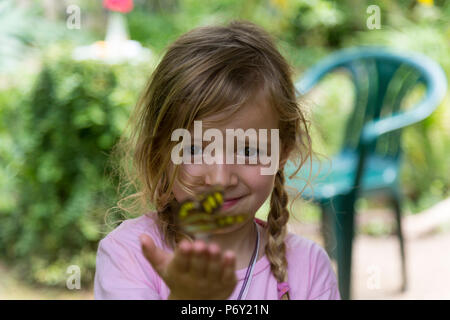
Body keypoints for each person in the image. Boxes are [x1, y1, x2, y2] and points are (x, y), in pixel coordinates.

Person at [94, 20, 340, 300]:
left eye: (247, 151)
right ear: (160, 152)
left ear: (282, 151)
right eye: (195, 150)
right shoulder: (130, 255)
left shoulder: (309, 269)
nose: (221, 178)